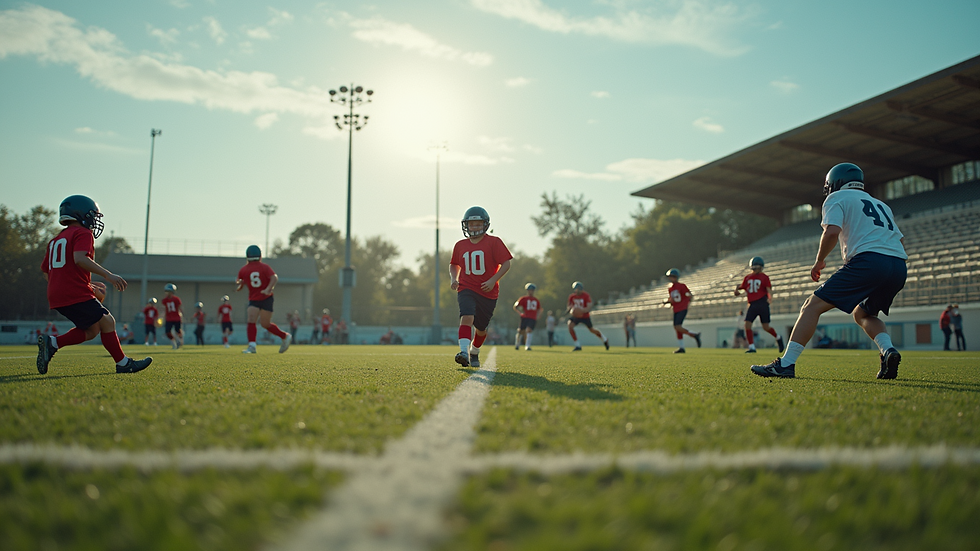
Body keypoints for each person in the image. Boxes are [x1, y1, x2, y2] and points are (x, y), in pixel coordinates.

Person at [751, 162, 908, 379]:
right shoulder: (880, 204)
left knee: (811, 306)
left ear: (834, 182)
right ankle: (888, 350)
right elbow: (898, 239)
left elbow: (832, 231)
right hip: (899, 264)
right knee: (863, 313)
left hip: (870, 261)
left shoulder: (836, 198)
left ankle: (785, 364)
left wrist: (819, 261)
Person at [36, 195, 151, 375]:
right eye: (92, 215)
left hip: (56, 294)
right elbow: (80, 259)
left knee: (92, 330)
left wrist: (83, 284)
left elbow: (46, 271)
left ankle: (53, 343)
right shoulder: (83, 233)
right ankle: (123, 364)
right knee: (107, 320)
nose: (94, 220)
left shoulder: (55, 240)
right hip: (73, 292)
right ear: (81, 214)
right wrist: (108, 275)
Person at [450, 206, 512, 367]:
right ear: (466, 226)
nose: (475, 227)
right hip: (466, 287)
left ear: (485, 224)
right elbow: (454, 264)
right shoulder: (460, 245)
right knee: (466, 316)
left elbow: (506, 263)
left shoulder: (494, 242)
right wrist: (453, 278)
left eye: (478, 224)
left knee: (481, 329)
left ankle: (474, 351)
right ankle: (463, 352)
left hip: (488, 291)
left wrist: (493, 280)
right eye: (472, 224)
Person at [236, 245, 291, 354]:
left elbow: (274, 277)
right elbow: (242, 280)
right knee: (251, 319)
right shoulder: (250, 268)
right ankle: (252, 346)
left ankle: (284, 336)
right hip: (254, 299)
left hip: (266, 297)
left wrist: (268, 289)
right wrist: (241, 285)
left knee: (265, 324)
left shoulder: (258, 268)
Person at [734, 256, 785, 354]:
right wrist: (737, 291)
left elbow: (768, 290)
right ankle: (752, 347)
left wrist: (770, 298)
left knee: (766, 327)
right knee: (747, 325)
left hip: (762, 303)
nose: (758, 269)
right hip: (752, 304)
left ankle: (778, 337)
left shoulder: (764, 277)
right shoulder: (748, 277)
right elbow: (743, 290)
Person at [663, 269, 702, 353]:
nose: (671, 278)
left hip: (682, 308)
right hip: (676, 309)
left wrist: (688, 301)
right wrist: (667, 301)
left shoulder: (682, 286)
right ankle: (681, 347)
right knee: (677, 328)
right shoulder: (670, 288)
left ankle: (694, 335)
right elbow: (673, 299)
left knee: (677, 326)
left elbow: (689, 295)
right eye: (670, 277)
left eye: (673, 277)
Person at [567, 281, 610, 351]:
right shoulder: (572, 297)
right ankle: (577, 345)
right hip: (576, 316)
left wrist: (581, 310)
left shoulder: (586, 295)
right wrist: (572, 310)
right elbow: (569, 306)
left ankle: (604, 339)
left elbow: (589, 307)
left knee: (592, 330)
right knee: (570, 325)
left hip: (584, 316)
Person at [513, 283, 541, 351]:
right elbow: (516, 306)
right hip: (524, 317)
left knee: (529, 330)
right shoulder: (523, 298)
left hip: (532, 318)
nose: (531, 291)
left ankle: (527, 346)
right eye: (530, 290)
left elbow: (539, 309)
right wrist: (520, 312)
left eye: (532, 290)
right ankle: (517, 344)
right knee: (520, 331)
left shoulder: (536, 300)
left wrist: (538, 316)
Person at [161, 283, 184, 349]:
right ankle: (174, 342)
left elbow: (180, 308)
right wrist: (162, 316)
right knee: (167, 332)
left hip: (176, 317)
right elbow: (163, 309)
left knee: (178, 331)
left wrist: (181, 316)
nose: (167, 293)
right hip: (169, 318)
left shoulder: (176, 299)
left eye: (169, 291)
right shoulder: (164, 300)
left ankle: (179, 341)